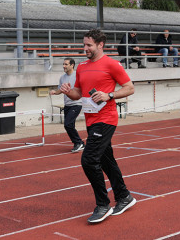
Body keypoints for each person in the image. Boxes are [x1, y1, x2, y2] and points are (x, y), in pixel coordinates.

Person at [60, 28, 136, 223]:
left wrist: (109, 95)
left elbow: (130, 88)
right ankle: (124, 196)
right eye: (84, 44)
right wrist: (68, 92)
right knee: (106, 161)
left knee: (88, 160)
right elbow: (78, 93)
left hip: (106, 119)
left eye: (88, 45)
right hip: (90, 120)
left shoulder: (111, 64)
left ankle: (103, 204)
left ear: (100, 45)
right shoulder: (83, 67)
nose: (85, 48)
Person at [49, 58, 85, 153]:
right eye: (63, 64)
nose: (64, 66)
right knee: (70, 125)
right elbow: (61, 90)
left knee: (67, 124)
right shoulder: (62, 78)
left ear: (72, 65)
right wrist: (55, 92)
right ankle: (79, 143)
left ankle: (79, 142)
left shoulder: (78, 76)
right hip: (67, 105)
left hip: (76, 104)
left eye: (66, 64)